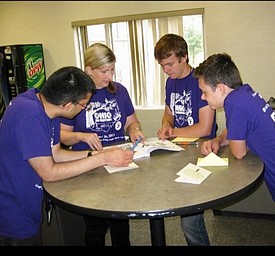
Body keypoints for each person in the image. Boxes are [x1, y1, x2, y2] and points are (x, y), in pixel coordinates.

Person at [194, 52, 275, 246]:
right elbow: (238, 129)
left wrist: (227, 142)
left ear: (220, 88)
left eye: (204, 91)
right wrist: (219, 140)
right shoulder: (245, 93)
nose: (203, 97)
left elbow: (239, 152)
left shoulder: (233, 103)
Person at [0, 66, 134, 246]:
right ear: (68, 105)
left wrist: (96, 153)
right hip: (12, 211)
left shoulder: (49, 108)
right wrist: (102, 159)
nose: (84, 109)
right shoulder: (28, 115)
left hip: (28, 201)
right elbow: (49, 172)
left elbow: (56, 153)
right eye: (84, 105)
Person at [60, 43, 145, 246]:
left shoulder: (120, 91)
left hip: (118, 166)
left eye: (112, 70)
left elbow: (131, 122)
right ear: (89, 70)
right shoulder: (76, 95)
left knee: (121, 226)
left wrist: (134, 130)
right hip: (90, 168)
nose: (110, 76)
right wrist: (81, 136)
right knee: (96, 228)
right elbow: (63, 136)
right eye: (104, 71)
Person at [154, 34, 217, 246]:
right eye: (162, 66)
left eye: (170, 64)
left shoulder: (200, 81)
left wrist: (173, 132)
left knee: (190, 221)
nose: (166, 70)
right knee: (185, 214)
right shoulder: (170, 82)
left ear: (184, 57)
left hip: (201, 152)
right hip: (179, 151)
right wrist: (166, 125)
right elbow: (168, 113)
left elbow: (205, 127)